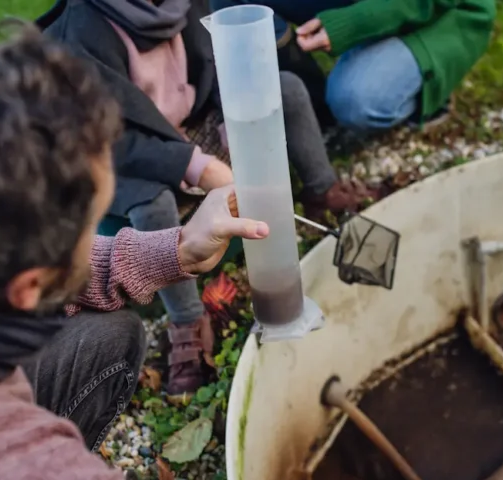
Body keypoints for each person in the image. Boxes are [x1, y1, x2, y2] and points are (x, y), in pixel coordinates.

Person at [0, 27, 425, 480]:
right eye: (91, 226)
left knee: (110, 338)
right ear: (27, 287)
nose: (95, 237)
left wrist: (177, 248)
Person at [37, 0, 377, 395]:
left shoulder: (181, 5)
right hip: (126, 156)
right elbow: (112, 141)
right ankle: (187, 321)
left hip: (193, 125)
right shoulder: (80, 35)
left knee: (287, 89)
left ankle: (322, 191)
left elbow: (217, 62)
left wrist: (232, 113)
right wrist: (196, 166)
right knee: (153, 203)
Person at [209, 0, 496, 132]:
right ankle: (312, 106)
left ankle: (427, 92)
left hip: (442, 14)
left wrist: (351, 25)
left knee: (354, 100)